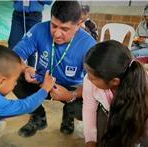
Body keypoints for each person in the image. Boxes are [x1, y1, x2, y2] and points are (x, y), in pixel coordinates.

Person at [12, 0, 96, 137]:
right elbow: (14, 56)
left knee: (90, 105)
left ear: (79, 24)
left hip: (72, 88)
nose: (57, 34)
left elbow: (94, 84)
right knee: (13, 75)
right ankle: (38, 116)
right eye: (54, 26)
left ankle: (69, 113)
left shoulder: (89, 45)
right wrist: (25, 68)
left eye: (65, 29)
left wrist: (71, 96)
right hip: (41, 81)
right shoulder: (39, 29)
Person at [0, 45, 55, 147]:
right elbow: (25, 106)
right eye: (15, 80)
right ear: (2, 81)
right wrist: (45, 89)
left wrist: (24, 68)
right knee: (1, 120)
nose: (16, 84)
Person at [83, 40, 148, 147]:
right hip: (113, 117)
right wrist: (90, 141)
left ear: (114, 81)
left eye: (93, 78)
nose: (88, 78)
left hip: (137, 129)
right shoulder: (92, 78)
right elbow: (89, 109)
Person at [8, 0, 53, 66]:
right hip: (18, 16)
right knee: (13, 43)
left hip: (35, 17)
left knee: (32, 47)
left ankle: (30, 72)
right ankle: (10, 70)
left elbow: (49, 1)